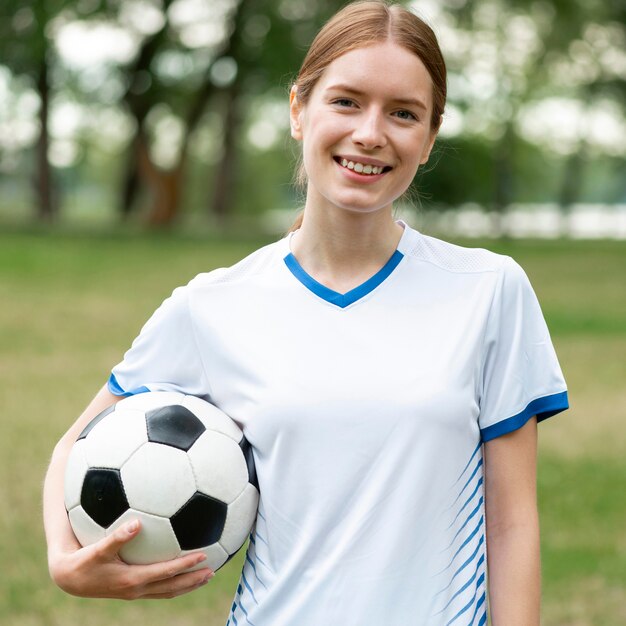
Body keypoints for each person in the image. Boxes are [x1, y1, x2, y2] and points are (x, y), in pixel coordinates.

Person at [43, 1, 569, 624]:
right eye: (346, 101)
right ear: (299, 110)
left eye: (404, 113)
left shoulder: (489, 290)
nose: (371, 132)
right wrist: (64, 559)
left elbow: (512, 525)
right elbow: (75, 447)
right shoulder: (211, 307)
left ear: (428, 139)